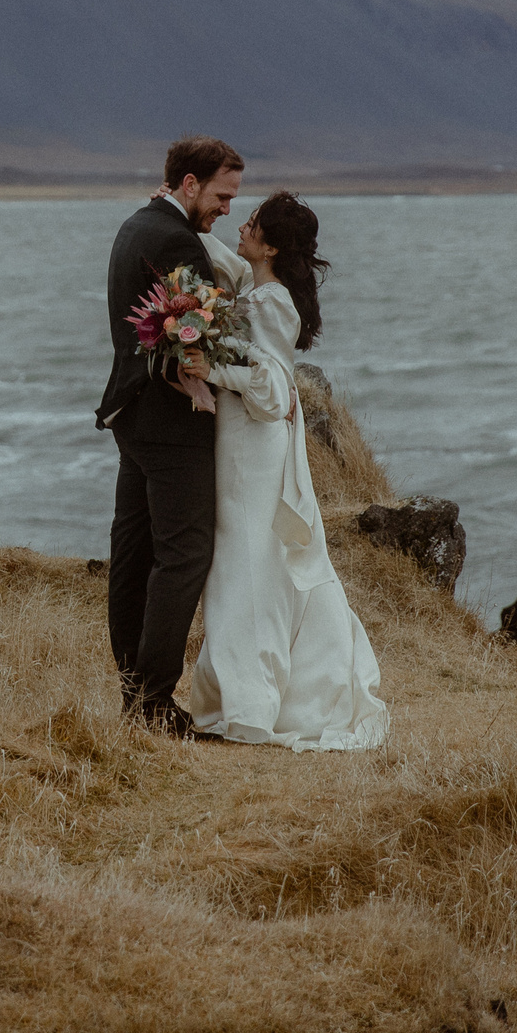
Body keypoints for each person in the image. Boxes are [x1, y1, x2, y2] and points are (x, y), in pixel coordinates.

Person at [180, 190, 388, 749]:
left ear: (270, 245)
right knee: (248, 563)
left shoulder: (272, 303)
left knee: (246, 566)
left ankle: (250, 704)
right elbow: (226, 262)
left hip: (253, 447)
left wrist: (212, 369)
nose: (240, 228)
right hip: (243, 443)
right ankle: (241, 694)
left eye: (249, 224)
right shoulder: (260, 286)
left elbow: (273, 390)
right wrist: (181, 217)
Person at [98, 135, 244, 734]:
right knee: (185, 555)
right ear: (189, 183)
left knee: (133, 552)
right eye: (222, 194)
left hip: (131, 414)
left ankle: (133, 688)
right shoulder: (179, 241)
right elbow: (196, 335)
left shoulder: (136, 225)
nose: (228, 208)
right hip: (168, 420)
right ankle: (153, 703)